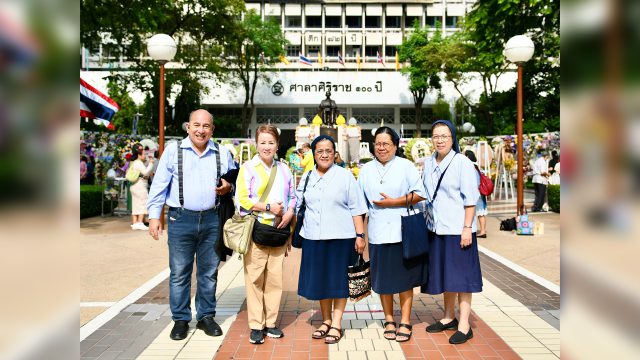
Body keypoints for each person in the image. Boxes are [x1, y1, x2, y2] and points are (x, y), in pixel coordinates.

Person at [147, 109, 236, 341]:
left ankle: (206, 316)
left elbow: (236, 181)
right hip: (180, 218)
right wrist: (155, 216)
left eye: (206, 126)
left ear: (212, 129)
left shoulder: (222, 152)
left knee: (208, 273)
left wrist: (229, 187)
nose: (201, 130)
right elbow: (159, 186)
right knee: (179, 273)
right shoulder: (173, 151)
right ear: (188, 127)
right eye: (196, 125)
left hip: (212, 219)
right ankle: (181, 319)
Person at [358, 126, 427, 343]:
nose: (381, 147)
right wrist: (359, 235)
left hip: (402, 231)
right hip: (378, 233)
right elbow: (359, 205)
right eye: (378, 143)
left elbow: (420, 193)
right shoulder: (366, 170)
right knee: (383, 280)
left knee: (405, 280)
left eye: (386, 143)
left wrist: (393, 202)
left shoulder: (406, 166)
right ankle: (389, 319)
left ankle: (405, 320)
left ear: (395, 146)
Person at [295, 135, 367, 344]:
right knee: (321, 281)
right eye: (320, 151)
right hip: (313, 237)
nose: (324, 154)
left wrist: (360, 235)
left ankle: (336, 323)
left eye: (328, 151)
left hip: (341, 238)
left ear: (334, 153)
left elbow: (357, 209)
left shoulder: (345, 176)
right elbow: (298, 203)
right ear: (314, 154)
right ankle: (325, 320)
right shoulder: (307, 176)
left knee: (338, 281)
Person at [422, 120, 482, 345]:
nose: (439, 140)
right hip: (436, 228)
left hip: (458, 229)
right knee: (445, 275)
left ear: (452, 138)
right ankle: (448, 317)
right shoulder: (428, 163)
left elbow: (470, 200)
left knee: (463, 278)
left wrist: (467, 228)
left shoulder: (462, 163)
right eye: (436, 136)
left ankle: (465, 325)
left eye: (444, 136)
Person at [235, 124, 296, 344]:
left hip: (279, 231)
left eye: (271, 142)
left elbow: (293, 196)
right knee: (254, 279)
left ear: (277, 145)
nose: (267, 147)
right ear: (256, 144)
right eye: (263, 142)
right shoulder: (248, 168)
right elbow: (242, 200)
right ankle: (255, 325)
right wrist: (270, 208)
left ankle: (271, 323)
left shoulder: (285, 169)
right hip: (257, 230)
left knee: (274, 280)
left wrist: (289, 212)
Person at [129, 143, 155, 230]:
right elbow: (145, 172)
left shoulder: (134, 162)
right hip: (140, 186)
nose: (145, 156)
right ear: (139, 155)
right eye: (144, 154)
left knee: (136, 204)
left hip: (135, 186)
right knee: (143, 203)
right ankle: (140, 222)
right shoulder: (138, 163)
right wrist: (151, 164)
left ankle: (135, 223)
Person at [464, 150, 487, 238]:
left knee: (477, 212)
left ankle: (481, 231)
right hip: (481, 193)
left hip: (476, 193)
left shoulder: (471, 167)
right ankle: (483, 230)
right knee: (481, 213)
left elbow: (474, 182)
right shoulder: (476, 167)